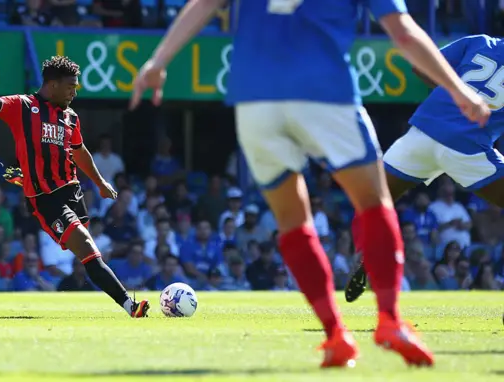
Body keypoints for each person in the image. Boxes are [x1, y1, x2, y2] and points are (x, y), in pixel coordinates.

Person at [128, 0, 491, 368]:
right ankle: (390, 322)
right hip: (325, 92)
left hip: (255, 99)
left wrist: (158, 62)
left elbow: (205, 3)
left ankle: (335, 336)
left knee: (293, 221)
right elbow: (403, 32)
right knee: (374, 202)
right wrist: (459, 91)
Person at [0, 55, 149, 318]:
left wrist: (100, 182)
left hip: (72, 192)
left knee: (88, 253)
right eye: (70, 85)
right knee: (86, 247)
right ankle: (130, 305)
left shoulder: (70, 117)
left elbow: (79, 150)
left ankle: (126, 303)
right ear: (52, 84)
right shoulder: (23, 106)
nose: (74, 91)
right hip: (45, 198)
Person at [347, 34, 504, 303]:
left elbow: (420, 66)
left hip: (422, 135)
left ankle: (367, 254)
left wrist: (450, 94)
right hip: (468, 146)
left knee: (371, 200)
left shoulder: (478, 41)